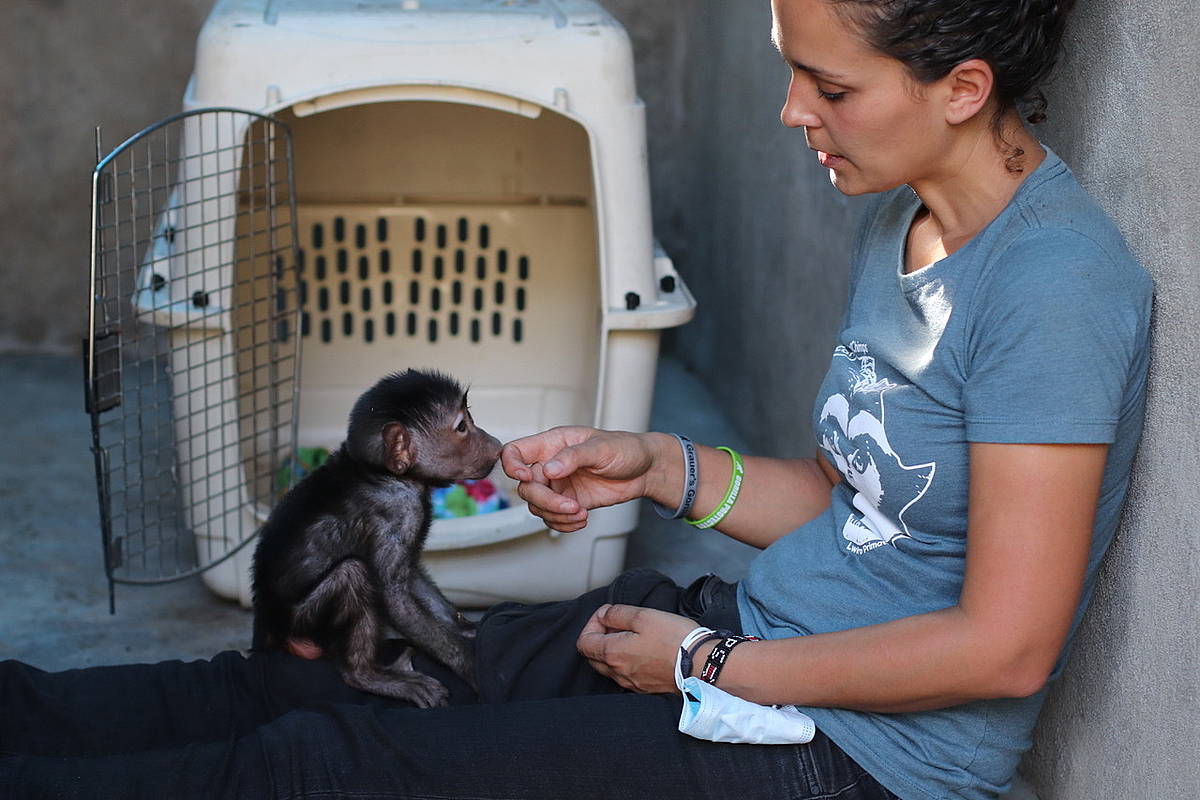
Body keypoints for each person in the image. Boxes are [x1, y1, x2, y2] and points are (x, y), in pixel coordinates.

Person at [0, 0, 1151, 798]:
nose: (792, 113)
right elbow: (860, 508)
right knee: (327, 671)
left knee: (331, 770)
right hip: (751, 637)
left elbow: (1005, 644)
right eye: (793, 71)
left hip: (840, 753)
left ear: (963, 87)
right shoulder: (899, 218)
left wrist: (706, 665)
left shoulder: (1056, 288)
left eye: (831, 86)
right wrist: (654, 463)